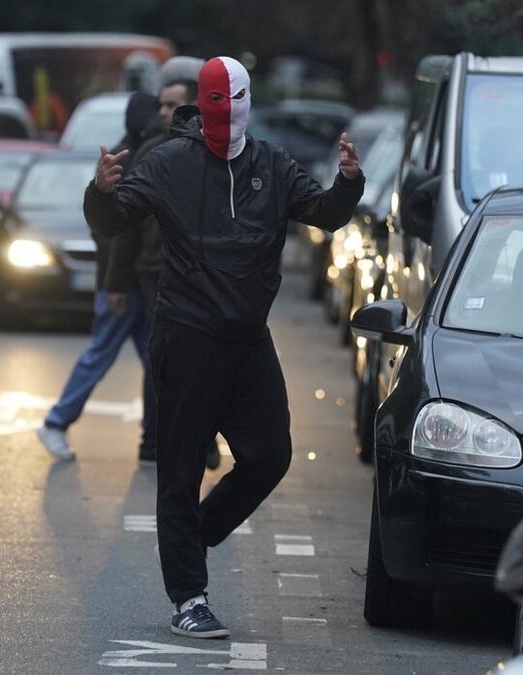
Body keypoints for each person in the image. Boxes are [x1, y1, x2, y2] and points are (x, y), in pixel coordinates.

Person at [85, 56, 363, 638]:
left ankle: (198, 532)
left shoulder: (270, 163)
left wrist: (348, 184)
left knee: (270, 456)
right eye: (214, 104)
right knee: (179, 471)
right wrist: (100, 192)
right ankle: (189, 599)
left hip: (247, 340)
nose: (224, 115)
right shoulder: (168, 162)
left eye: (233, 102)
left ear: (247, 103)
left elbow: (323, 214)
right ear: (203, 107)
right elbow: (115, 221)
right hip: (186, 335)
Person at [103, 59, 222, 468]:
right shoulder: (152, 152)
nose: (164, 114)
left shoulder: (220, 152)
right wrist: (116, 282)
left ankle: (201, 437)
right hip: (156, 271)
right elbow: (126, 223)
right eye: (163, 106)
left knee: (205, 361)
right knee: (163, 360)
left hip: (207, 276)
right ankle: (154, 441)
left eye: (173, 106)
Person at [35, 91, 160, 462]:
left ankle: (179, 437)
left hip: (131, 280)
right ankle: (56, 422)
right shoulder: (129, 157)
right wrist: (115, 283)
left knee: (159, 363)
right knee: (103, 353)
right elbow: (117, 230)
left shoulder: (138, 152)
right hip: (124, 282)